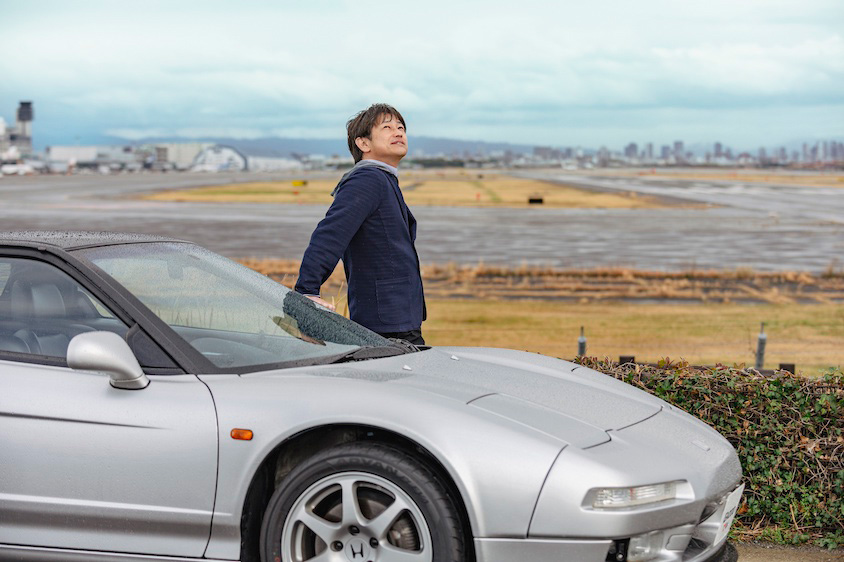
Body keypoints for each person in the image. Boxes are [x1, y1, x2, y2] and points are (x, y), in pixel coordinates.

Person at [294, 103, 426, 345]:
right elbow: (330, 234)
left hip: (396, 318)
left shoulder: (383, 179)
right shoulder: (368, 180)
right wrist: (306, 292)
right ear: (363, 143)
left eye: (401, 127)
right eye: (387, 127)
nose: (398, 132)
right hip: (386, 324)